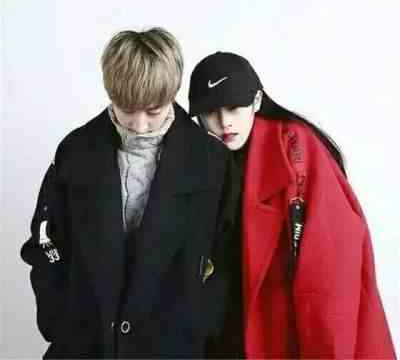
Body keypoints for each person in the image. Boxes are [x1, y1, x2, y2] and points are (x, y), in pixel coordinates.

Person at [21, 29, 235, 359]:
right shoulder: (75, 150)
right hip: (84, 348)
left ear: (172, 94)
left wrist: (201, 324)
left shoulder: (211, 160)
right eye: (126, 108)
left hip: (174, 349)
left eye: (153, 110)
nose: (139, 124)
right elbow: (45, 240)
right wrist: (59, 319)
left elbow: (227, 252)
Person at [188, 51, 396, 359]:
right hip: (226, 330)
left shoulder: (295, 151)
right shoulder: (198, 158)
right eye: (210, 111)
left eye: (234, 108)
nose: (224, 122)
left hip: (288, 325)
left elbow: (332, 266)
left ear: (257, 101)